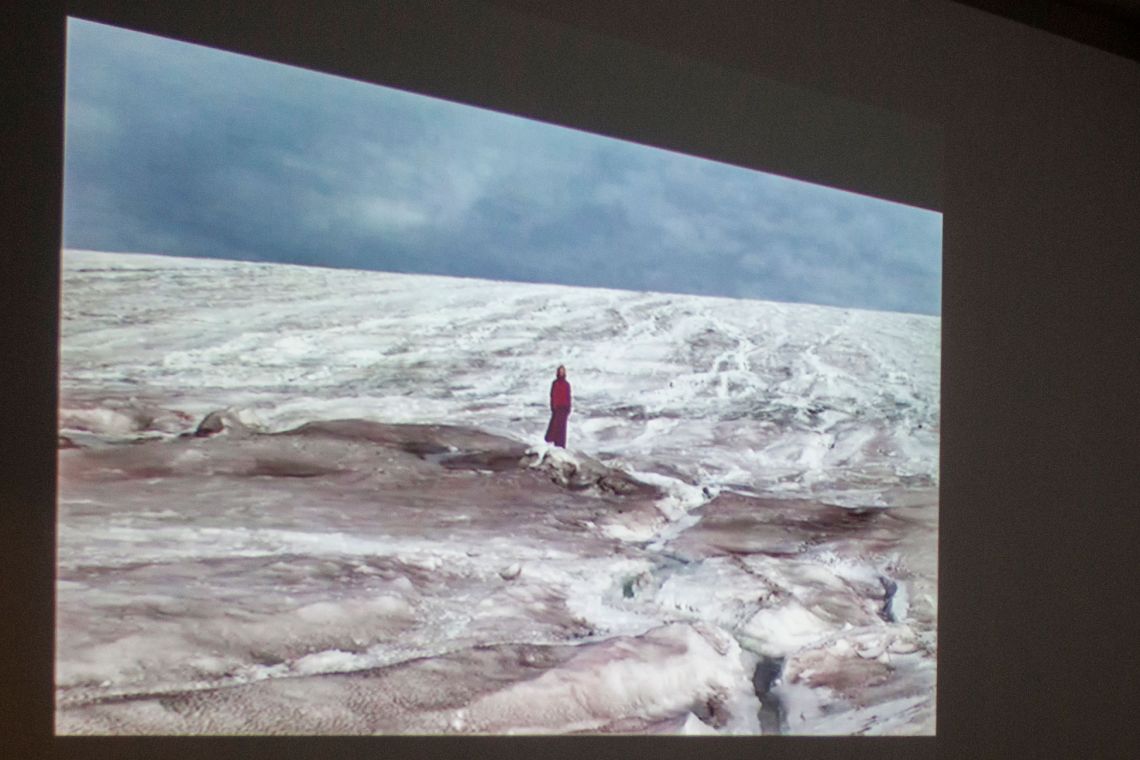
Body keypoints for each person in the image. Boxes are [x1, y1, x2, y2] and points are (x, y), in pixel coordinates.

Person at [544, 365, 572, 448]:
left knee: (563, 427)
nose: (561, 373)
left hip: (564, 408)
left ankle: (562, 445)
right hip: (557, 408)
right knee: (555, 426)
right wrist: (553, 406)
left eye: (563, 371)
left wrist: (569, 407)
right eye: (560, 371)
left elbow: (568, 396)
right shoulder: (555, 383)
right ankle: (554, 442)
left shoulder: (567, 384)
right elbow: (552, 395)